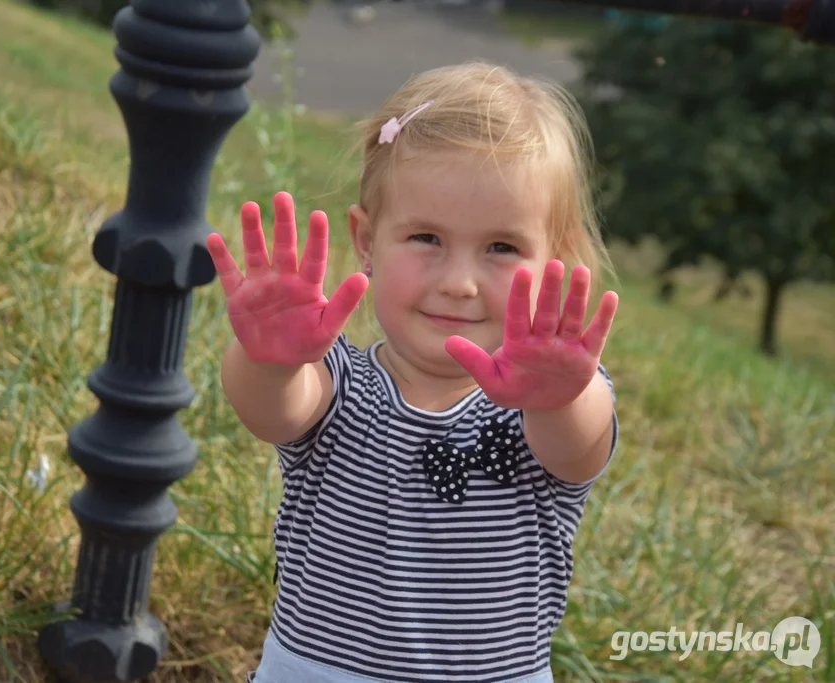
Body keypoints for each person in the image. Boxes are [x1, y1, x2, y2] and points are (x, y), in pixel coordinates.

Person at [207, 60, 621, 683]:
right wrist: (270, 360)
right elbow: (275, 408)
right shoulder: (340, 382)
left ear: (553, 262)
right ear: (368, 242)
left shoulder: (552, 399)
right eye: (426, 237)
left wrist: (559, 399)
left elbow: (578, 451)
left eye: (501, 248)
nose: (458, 283)